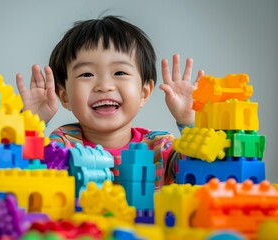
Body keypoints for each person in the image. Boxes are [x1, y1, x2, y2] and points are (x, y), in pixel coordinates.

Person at [16, 15, 204, 189]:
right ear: (65, 96)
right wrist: (31, 123)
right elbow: (23, 176)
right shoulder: (64, 145)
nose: (104, 86)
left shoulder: (159, 147)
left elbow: (199, 175)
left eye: (120, 72)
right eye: (86, 74)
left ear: (144, 93)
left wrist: (190, 123)